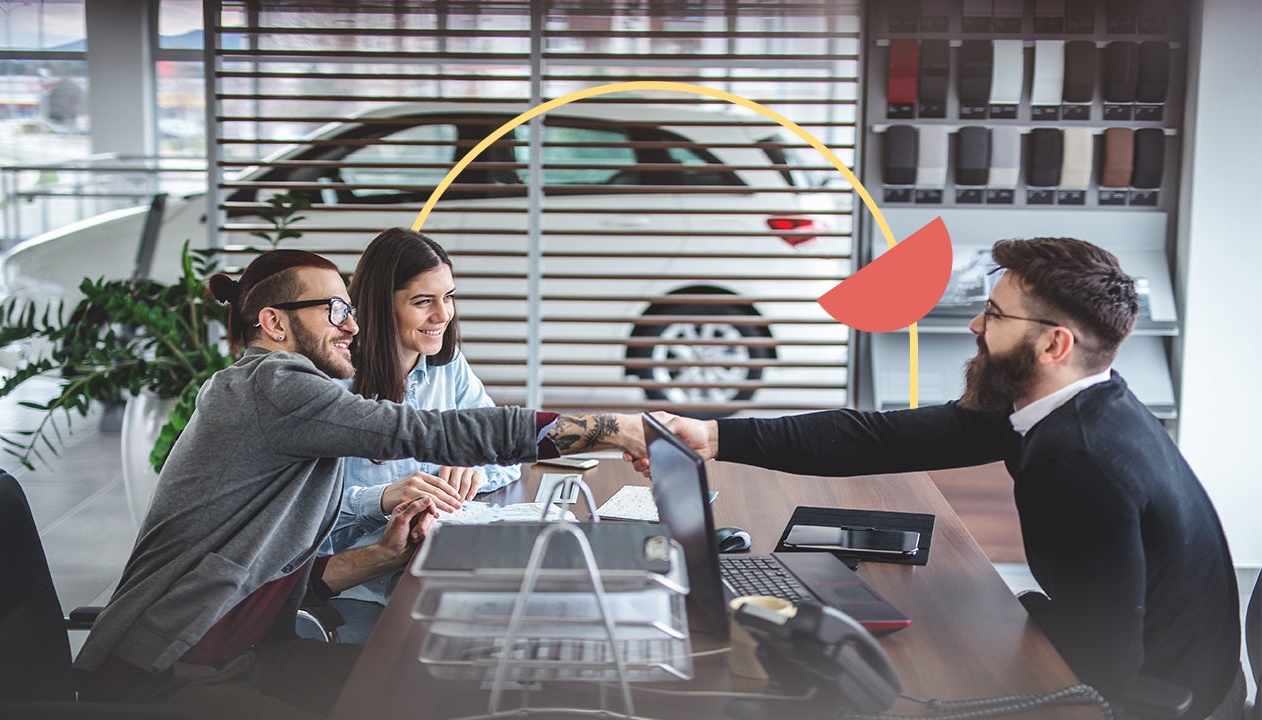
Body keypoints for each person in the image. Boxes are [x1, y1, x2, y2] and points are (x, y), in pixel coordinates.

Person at [643, 237, 1243, 720]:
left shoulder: (1079, 461)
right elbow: (876, 436)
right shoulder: (1064, 402)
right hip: (1147, 661)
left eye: (996, 314)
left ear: (1054, 344)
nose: (976, 325)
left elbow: (1108, 669)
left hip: (1170, 698)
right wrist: (716, 436)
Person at [75, 249, 646, 720]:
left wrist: (379, 555)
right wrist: (615, 429)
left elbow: (275, 578)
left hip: (243, 652)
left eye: (348, 307)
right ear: (274, 322)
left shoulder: (284, 394)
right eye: (333, 310)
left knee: (438, 689)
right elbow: (441, 432)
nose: (352, 323)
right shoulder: (273, 386)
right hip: (166, 675)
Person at [321, 228, 520, 642]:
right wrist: (381, 498)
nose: (443, 314)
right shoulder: (333, 382)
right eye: (423, 301)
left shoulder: (448, 367)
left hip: (430, 568)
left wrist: (473, 466)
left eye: (448, 297)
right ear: (380, 306)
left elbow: (505, 447)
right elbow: (303, 510)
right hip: (356, 587)